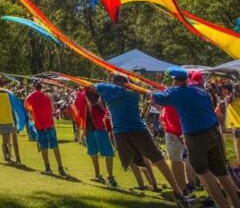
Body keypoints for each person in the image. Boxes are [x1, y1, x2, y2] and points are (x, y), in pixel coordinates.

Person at [152, 67, 240, 208]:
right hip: (213, 133)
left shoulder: (176, 92)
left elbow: (155, 97)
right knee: (221, 172)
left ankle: (223, 205)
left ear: (175, 81)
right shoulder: (200, 90)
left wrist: (162, 91)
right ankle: (237, 204)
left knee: (202, 171)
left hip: (195, 136)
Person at [95, 73, 183, 200]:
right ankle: (175, 190)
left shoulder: (109, 92)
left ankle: (148, 185)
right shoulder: (134, 93)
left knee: (137, 160)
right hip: (137, 130)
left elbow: (93, 88)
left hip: (123, 133)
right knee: (156, 159)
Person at [75, 87, 117, 187]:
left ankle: (100, 175)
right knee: (104, 153)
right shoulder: (98, 95)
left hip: (93, 128)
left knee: (97, 153)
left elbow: (78, 109)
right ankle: (108, 176)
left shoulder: (84, 96)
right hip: (96, 128)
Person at [25, 82, 66, 175]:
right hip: (49, 124)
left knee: (44, 147)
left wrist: (33, 109)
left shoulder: (31, 96)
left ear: (34, 87)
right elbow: (51, 109)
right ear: (41, 87)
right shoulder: (46, 96)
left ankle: (48, 168)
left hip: (40, 125)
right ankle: (60, 167)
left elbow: (26, 105)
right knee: (55, 145)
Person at [0, 89, 20, 164]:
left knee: (7, 140)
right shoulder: (4, 98)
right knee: (6, 140)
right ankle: (7, 157)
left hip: (4, 120)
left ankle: (8, 156)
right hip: (5, 120)